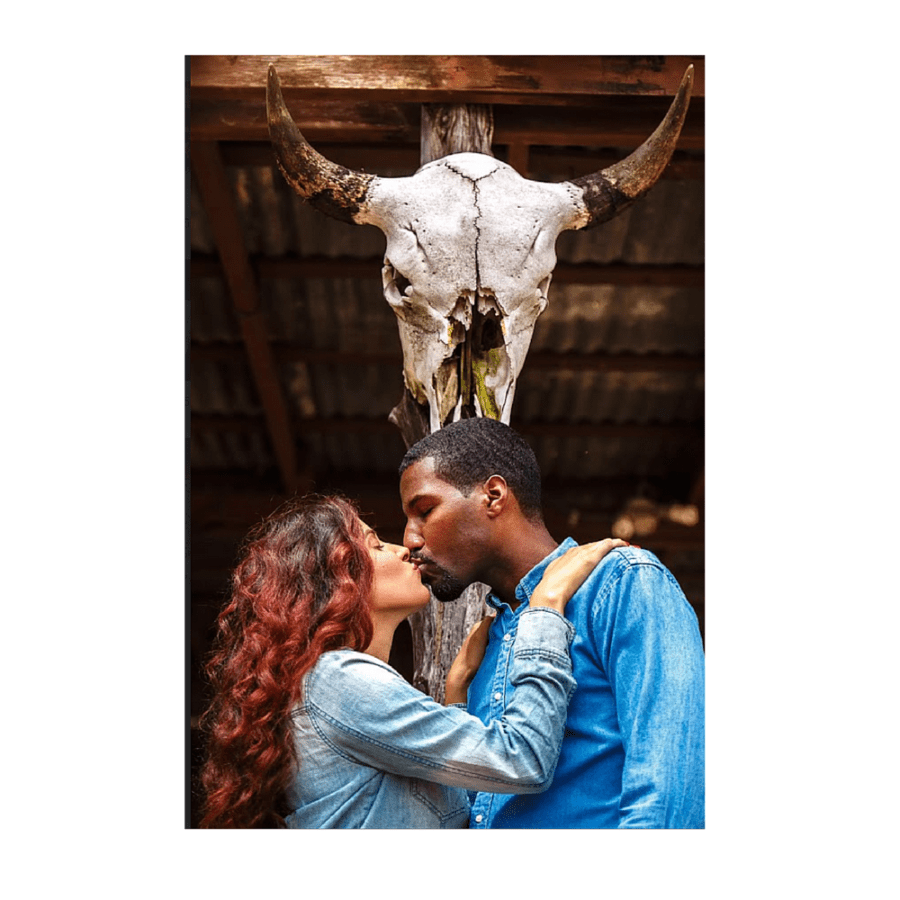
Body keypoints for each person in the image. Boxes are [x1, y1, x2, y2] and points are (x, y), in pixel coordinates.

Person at [198, 493, 626, 828]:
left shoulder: (334, 688)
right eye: (374, 545)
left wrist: (456, 693)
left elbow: (470, 801)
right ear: (337, 579)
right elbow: (521, 761)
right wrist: (546, 608)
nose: (402, 549)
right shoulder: (339, 682)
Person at [399, 416, 705, 829]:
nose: (410, 540)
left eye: (425, 511)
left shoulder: (622, 584)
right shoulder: (484, 645)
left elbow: (669, 792)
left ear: (493, 496)